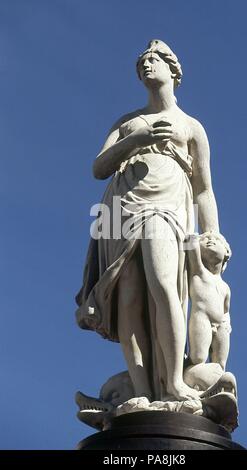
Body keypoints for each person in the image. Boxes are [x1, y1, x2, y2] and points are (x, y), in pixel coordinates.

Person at [76, 40, 219, 402]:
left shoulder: (191, 127)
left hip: (167, 205)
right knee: (129, 299)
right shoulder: (127, 122)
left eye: (153, 59)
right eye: (141, 62)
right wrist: (134, 139)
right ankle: (141, 393)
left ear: (174, 68)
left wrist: (212, 235)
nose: (145, 66)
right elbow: (99, 167)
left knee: (163, 284)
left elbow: (203, 190)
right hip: (120, 210)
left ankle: (173, 383)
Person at [187, 232, 232, 370]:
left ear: (226, 252)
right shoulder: (199, 271)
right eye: (205, 239)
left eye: (216, 240)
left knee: (220, 364)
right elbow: (192, 250)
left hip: (222, 325)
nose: (210, 240)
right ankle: (189, 371)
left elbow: (226, 310)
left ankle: (215, 382)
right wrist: (192, 240)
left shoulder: (225, 286)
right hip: (202, 318)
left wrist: (227, 324)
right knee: (198, 358)